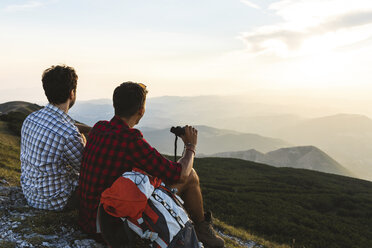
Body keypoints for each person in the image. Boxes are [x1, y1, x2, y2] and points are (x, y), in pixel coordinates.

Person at [78, 82, 225, 247]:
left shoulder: (98, 128)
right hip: (113, 229)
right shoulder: (131, 140)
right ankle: (202, 231)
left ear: (115, 105)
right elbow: (179, 174)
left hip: (89, 220)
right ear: (141, 110)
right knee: (191, 175)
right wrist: (191, 146)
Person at [20, 65, 89, 211]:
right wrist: (83, 139)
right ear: (72, 93)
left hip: (30, 194)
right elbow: (86, 170)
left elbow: (57, 127)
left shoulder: (30, 118)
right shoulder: (69, 134)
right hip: (54, 202)